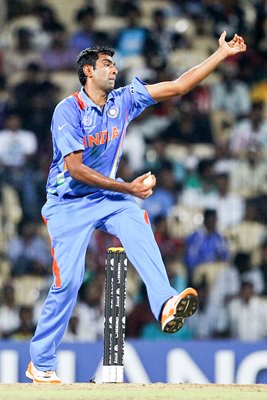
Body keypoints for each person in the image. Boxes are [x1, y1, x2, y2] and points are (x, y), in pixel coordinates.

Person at [25, 31, 246, 383]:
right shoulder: (68, 110)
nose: (114, 69)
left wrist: (220, 54)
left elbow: (178, 86)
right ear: (87, 71)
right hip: (67, 204)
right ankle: (41, 362)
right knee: (68, 283)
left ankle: (166, 303)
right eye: (106, 64)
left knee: (134, 217)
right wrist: (127, 186)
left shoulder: (124, 99)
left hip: (106, 198)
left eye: (114, 63)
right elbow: (76, 169)